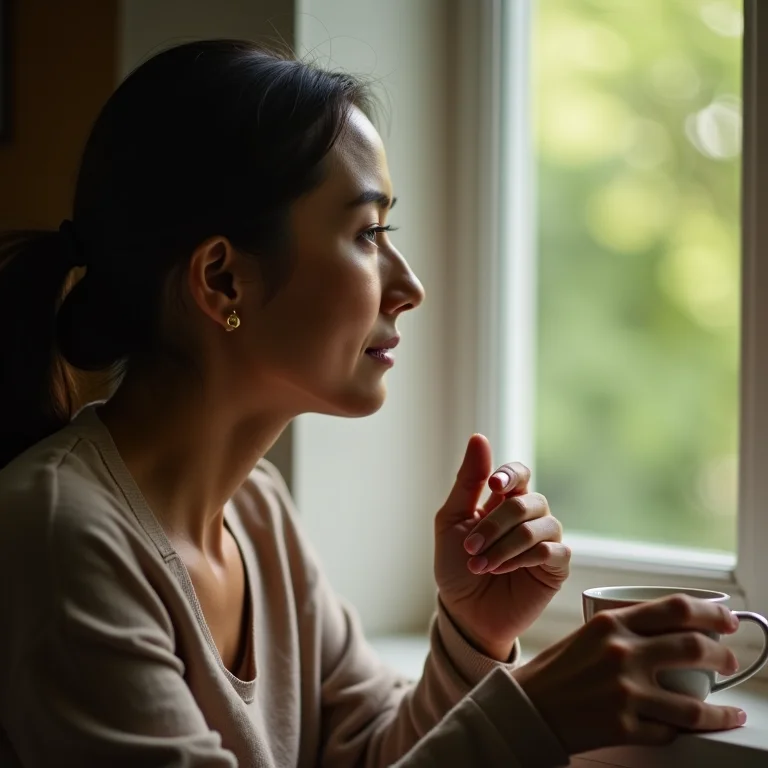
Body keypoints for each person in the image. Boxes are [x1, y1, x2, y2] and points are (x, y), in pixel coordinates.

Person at [0, 40, 746, 768]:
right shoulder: (61, 538)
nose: (409, 286)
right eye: (368, 232)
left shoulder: (257, 514)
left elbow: (368, 753)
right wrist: (534, 715)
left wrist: (472, 636)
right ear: (222, 280)